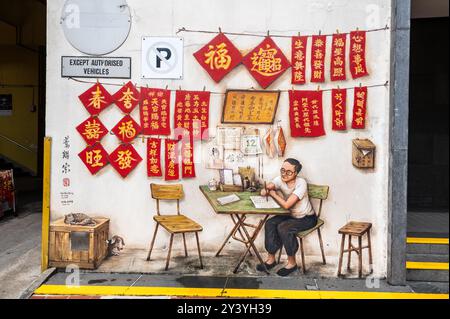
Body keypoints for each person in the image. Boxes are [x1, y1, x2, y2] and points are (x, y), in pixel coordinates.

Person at [257, 158, 317, 276]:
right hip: (291, 215)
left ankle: (292, 263)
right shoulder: (280, 179)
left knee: (284, 228)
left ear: (296, 173)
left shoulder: (301, 183)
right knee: (270, 223)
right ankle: (271, 259)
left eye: (289, 172)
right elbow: (270, 186)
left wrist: (273, 193)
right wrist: (266, 189)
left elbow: (287, 205)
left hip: (306, 218)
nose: (285, 174)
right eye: (282, 170)